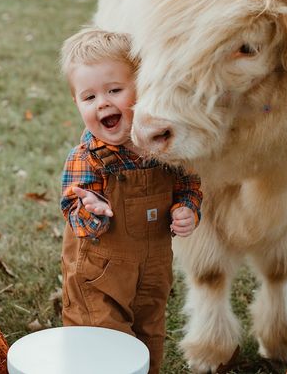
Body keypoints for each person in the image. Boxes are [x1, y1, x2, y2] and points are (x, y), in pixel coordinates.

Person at [58, 27, 202, 374]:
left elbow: (189, 183)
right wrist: (91, 208)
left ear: (143, 88)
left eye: (114, 90)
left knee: (148, 333)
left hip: (153, 269)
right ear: (76, 103)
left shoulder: (163, 147)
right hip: (100, 276)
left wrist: (187, 209)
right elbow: (74, 209)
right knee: (102, 342)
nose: (102, 103)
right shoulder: (88, 157)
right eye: (88, 97)